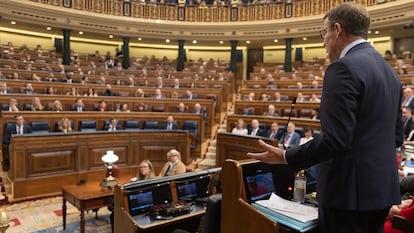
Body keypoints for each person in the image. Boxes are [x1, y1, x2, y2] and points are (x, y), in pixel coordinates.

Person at [247, 3, 403, 233]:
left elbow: (336, 140)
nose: (323, 42)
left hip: (347, 197)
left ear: (337, 30)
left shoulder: (343, 68)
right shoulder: (389, 72)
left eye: (324, 32)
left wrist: (286, 156)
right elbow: (397, 138)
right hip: (380, 193)